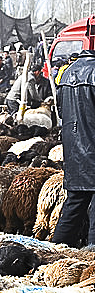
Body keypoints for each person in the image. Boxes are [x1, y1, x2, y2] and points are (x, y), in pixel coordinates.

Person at [51, 48, 95, 247]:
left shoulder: (67, 72)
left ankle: (57, 248)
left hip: (74, 150)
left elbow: (61, 112)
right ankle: (92, 254)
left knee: (74, 204)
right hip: (93, 146)